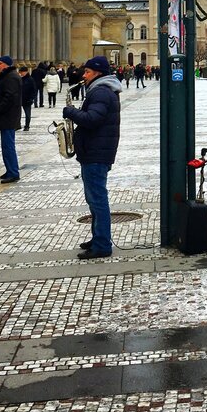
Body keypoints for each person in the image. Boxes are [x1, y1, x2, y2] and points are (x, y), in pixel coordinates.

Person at [62, 55, 122, 259]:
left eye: (87, 72)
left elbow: (93, 119)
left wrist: (71, 113)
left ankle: (103, 244)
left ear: (97, 73)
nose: (84, 75)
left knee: (97, 200)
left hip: (96, 153)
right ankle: (97, 237)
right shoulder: (101, 91)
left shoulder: (101, 93)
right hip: (95, 151)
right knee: (93, 198)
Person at [0, 55, 22, 182]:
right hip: (6, 117)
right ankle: (10, 169)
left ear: (7, 65)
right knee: (6, 146)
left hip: (8, 117)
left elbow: (10, 96)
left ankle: (13, 172)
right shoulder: (8, 76)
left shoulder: (11, 77)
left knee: (8, 146)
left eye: (0, 63)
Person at [19, 66, 37, 131]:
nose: (21, 73)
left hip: (27, 100)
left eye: (22, 72)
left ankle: (27, 126)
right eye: (20, 72)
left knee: (27, 114)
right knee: (17, 114)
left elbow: (34, 90)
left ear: (26, 72)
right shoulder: (19, 79)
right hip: (19, 99)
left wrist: (31, 99)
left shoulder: (30, 79)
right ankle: (17, 125)